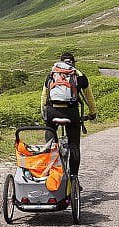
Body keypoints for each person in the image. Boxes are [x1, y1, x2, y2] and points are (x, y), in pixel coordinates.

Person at [40, 51, 97, 183]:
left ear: (60, 62)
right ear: (73, 63)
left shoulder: (52, 73)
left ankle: (48, 174)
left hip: (52, 112)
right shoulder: (79, 75)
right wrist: (92, 113)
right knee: (74, 145)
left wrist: (44, 114)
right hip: (71, 113)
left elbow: (44, 96)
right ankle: (74, 178)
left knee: (50, 143)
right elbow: (89, 97)